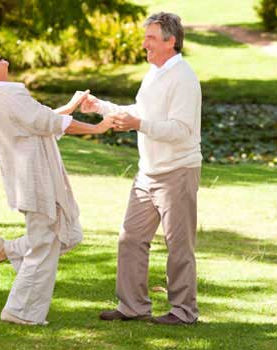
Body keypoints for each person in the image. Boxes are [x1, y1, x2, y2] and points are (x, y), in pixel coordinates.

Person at [0, 44, 114, 326]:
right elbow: (46, 122)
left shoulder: (1, 96)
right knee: (44, 245)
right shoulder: (7, 94)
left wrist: (70, 107)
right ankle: (20, 312)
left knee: (68, 235)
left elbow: (36, 120)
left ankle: (8, 249)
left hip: (31, 179)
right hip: (35, 181)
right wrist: (98, 128)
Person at [80, 12, 202, 325]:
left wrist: (139, 125)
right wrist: (102, 108)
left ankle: (183, 312)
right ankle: (132, 306)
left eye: (150, 37)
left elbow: (180, 129)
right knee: (130, 238)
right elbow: (141, 113)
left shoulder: (184, 78)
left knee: (179, 246)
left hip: (177, 172)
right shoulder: (154, 73)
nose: (144, 43)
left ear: (170, 41)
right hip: (147, 173)